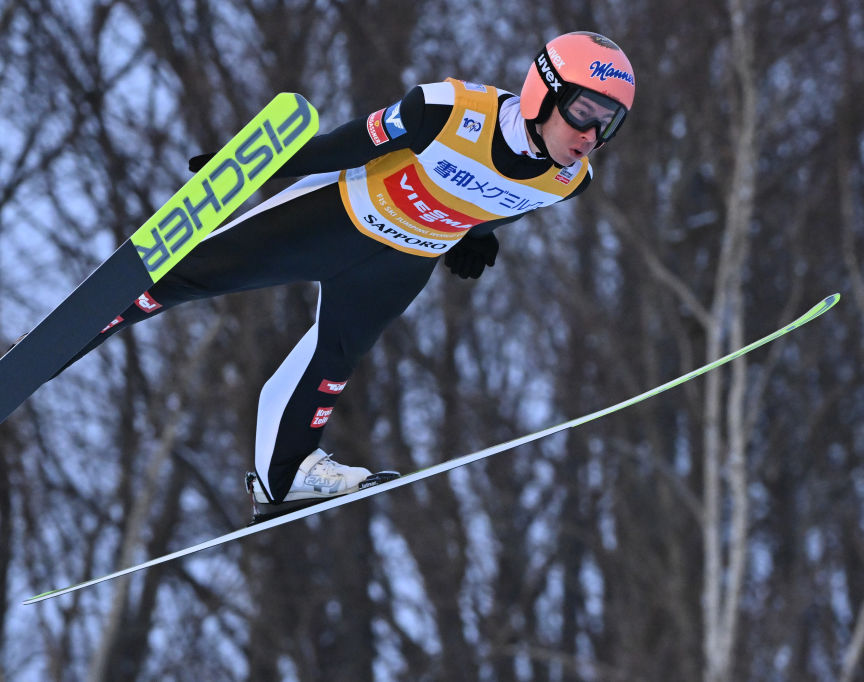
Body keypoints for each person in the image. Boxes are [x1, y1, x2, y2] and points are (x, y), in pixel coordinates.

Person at [61, 31, 636, 519]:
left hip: (404, 260)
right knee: (191, 273)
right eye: (584, 112)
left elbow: (495, 203)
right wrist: (256, 166)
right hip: (339, 215)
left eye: (606, 125)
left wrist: (475, 240)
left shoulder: (568, 181)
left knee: (333, 358)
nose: (590, 136)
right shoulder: (448, 110)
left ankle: (283, 475)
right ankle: (64, 338)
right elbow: (348, 143)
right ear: (544, 92)